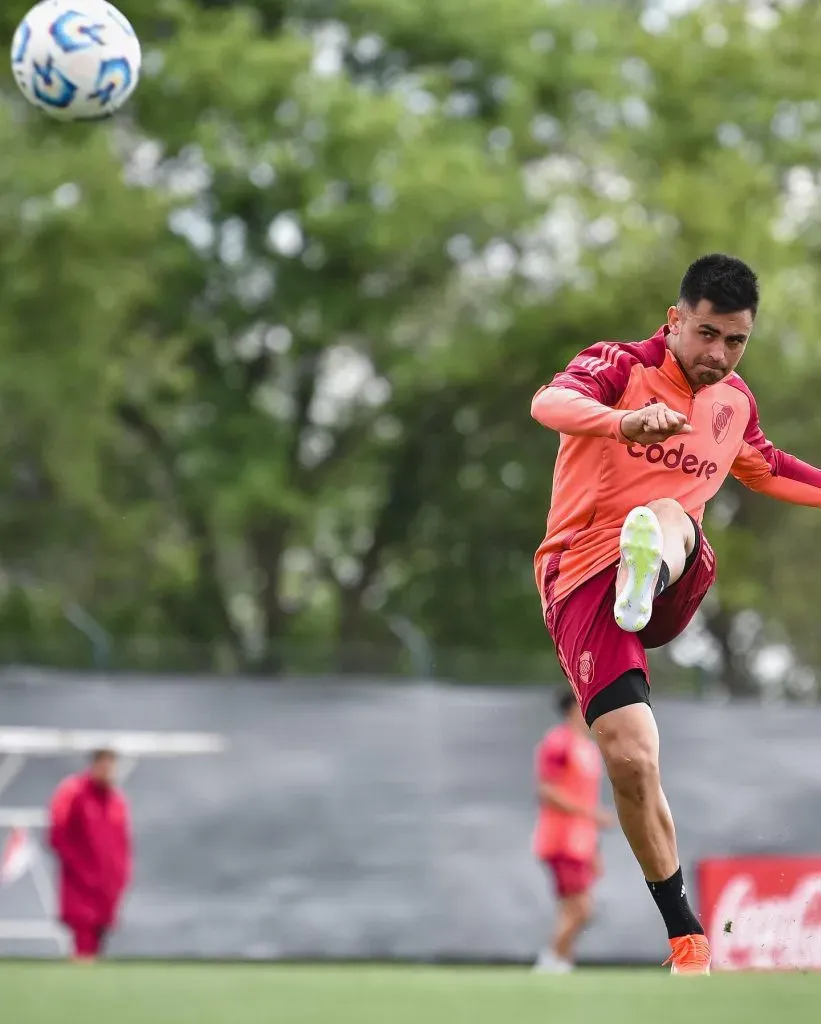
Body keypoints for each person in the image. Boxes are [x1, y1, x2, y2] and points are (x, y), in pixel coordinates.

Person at [530, 254, 821, 975]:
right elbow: (548, 405)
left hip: (671, 569)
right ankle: (686, 940)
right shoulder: (618, 365)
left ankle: (648, 564)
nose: (717, 354)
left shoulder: (733, 404)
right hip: (580, 579)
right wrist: (622, 422)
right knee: (631, 759)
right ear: (674, 320)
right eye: (705, 334)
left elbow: (769, 466)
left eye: (735, 341)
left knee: (664, 512)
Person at [533, 689, 613, 973]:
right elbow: (546, 790)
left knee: (572, 910)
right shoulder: (558, 742)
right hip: (561, 839)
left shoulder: (588, 748)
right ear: (572, 709)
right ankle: (549, 961)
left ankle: (561, 964)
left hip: (582, 842)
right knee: (581, 909)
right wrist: (591, 815)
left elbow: (586, 797)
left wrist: (595, 849)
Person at [48, 748, 132, 962]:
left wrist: (122, 876)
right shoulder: (72, 792)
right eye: (103, 765)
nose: (108, 771)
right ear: (93, 765)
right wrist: (81, 871)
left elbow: (123, 843)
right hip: (81, 884)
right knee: (83, 938)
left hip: (107, 885)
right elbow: (57, 835)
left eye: (111, 766)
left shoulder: (117, 801)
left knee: (98, 938)